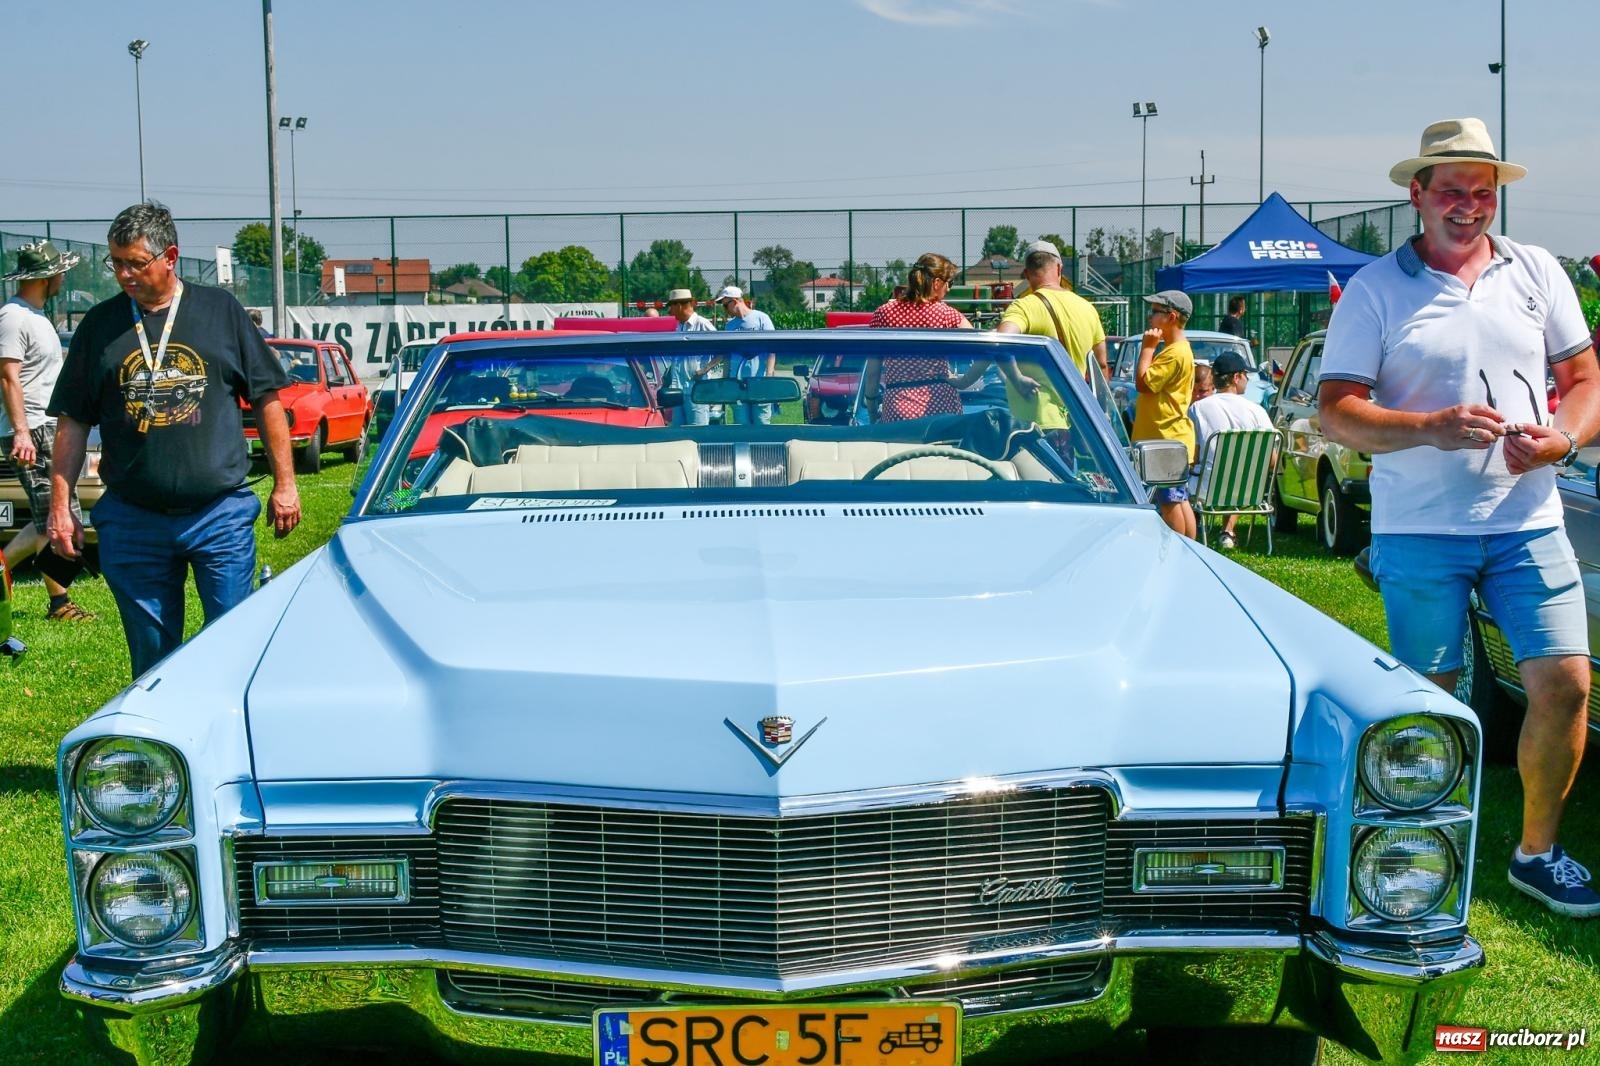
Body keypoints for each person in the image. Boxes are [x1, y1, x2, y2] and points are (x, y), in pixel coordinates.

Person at [1319, 118, 1600, 917]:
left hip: (1528, 522)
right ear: (1417, 196)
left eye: (1483, 193)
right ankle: (1408, 851)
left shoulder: (1537, 270)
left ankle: (1536, 853)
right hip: (1420, 531)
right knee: (1432, 705)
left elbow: (1585, 380)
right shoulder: (1376, 288)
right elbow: (1336, 411)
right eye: (1452, 192)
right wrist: (1429, 428)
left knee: (1566, 686)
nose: (1469, 207)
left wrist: (1564, 439)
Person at [46, 201, 303, 679]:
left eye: (135, 263)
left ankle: (227, 747)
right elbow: (74, 421)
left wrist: (286, 484)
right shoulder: (99, 326)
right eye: (116, 262)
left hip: (217, 512)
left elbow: (267, 399)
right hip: (133, 518)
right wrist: (62, 504)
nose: (124, 274)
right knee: (153, 664)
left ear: (171, 256)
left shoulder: (219, 311)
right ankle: (161, 748)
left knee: (232, 646)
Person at [0, 241, 93, 621]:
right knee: (54, 515)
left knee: (47, 515)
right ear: (46, 277)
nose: (65, 276)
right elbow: (8, 377)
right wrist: (21, 432)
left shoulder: (36, 315)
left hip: (46, 426)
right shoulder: (13, 316)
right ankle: (60, 604)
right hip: (32, 431)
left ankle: (2, 565)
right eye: (61, 270)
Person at [863, 253, 971, 422]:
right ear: (937, 283)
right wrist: (964, 381)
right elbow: (984, 345)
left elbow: (872, 372)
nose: (949, 289)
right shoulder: (947, 314)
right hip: (942, 404)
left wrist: (871, 408)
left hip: (898, 403)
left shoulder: (884, 313)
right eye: (949, 283)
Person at [1190, 351, 1273, 549]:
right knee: (1239, 471)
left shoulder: (1198, 408)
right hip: (1247, 489)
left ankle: (1194, 526)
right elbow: (1272, 459)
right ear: (1236, 377)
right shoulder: (1257, 411)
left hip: (1206, 488)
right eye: (1246, 375)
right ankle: (1227, 532)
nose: (1247, 379)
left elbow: (1194, 455)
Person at [1132, 289, 1197, 538]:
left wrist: (1147, 348)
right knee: (1179, 500)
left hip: (1165, 439)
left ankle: (1177, 549)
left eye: (1155, 312)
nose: (1150, 318)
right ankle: (1193, 549)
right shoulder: (1177, 350)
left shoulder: (1173, 352)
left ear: (1171, 317)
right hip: (1171, 437)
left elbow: (1143, 383)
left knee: (1170, 504)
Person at [996, 239, 1108, 380]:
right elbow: (1101, 364)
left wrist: (1017, 379)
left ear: (1026, 274)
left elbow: (1000, 342)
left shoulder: (1023, 307)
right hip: (1074, 401)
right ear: (1059, 268)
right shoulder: (1088, 308)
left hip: (1033, 401)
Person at [712, 286, 775, 425]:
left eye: (726, 305)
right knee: (741, 425)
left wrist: (769, 375)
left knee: (761, 423)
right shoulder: (730, 326)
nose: (725, 310)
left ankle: (762, 447)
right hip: (738, 385)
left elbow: (772, 349)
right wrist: (725, 380)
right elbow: (727, 355)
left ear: (735, 302)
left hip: (759, 382)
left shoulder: (761, 318)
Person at [664, 288, 716, 426]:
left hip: (696, 390)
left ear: (679, 306)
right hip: (678, 390)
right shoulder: (679, 326)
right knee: (678, 433)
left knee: (698, 432)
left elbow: (724, 350)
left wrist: (705, 369)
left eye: (672, 307)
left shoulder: (702, 324)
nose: (671, 312)